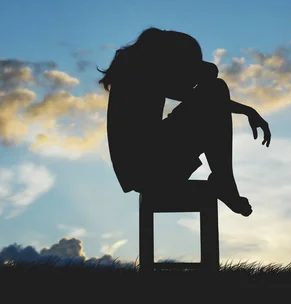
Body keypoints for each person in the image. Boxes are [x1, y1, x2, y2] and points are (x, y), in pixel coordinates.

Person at [97, 27, 271, 217]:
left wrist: (205, 72)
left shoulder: (135, 68)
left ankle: (223, 181)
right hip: (150, 170)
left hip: (146, 168)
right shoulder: (143, 71)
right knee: (215, 89)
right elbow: (203, 93)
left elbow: (196, 86)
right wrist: (247, 110)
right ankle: (224, 181)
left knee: (213, 92)